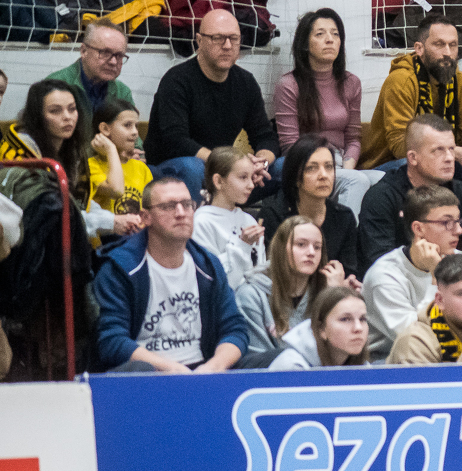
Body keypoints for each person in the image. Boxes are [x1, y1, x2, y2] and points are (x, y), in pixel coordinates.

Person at [94, 177, 261, 371]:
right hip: (148, 373)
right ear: (145, 217)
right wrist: (171, 369)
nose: (181, 213)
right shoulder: (120, 268)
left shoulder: (208, 265)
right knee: (139, 369)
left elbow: (235, 329)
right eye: (168, 207)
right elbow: (112, 341)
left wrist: (215, 366)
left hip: (203, 369)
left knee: (278, 360)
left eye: (187, 205)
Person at [359, 12, 462, 221]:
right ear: (419, 48)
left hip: (446, 160)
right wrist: (456, 153)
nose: (447, 52)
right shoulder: (401, 81)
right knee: (420, 165)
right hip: (393, 163)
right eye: (439, 44)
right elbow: (401, 146)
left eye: (453, 45)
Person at [145, 8, 278, 201]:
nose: (227, 45)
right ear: (199, 41)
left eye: (234, 38)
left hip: (222, 171)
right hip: (174, 170)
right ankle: (195, 220)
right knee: (194, 167)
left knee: (286, 167)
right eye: (218, 38)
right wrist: (227, 163)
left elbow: (265, 135)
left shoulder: (246, 82)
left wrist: (261, 163)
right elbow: (176, 141)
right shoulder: (176, 81)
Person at [357, 115, 462, 276]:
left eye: (451, 149)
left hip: (451, 282)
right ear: (413, 158)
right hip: (397, 284)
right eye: (438, 150)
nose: (450, 158)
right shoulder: (381, 197)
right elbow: (380, 265)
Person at [273, 8, 374, 215]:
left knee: (383, 180)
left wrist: (345, 169)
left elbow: (353, 138)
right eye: (320, 34)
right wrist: (327, 168)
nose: (330, 40)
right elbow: (290, 145)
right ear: (305, 44)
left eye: (335, 34)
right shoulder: (289, 85)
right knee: (357, 182)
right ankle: (341, 235)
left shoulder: (351, 82)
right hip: (307, 163)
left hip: (342, 163)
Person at [364, 185, 462, 360]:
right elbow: (414, 339)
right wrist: (437, 276)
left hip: (450, 352)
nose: (459, 230)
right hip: (389, 360)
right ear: (418, 229)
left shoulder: (461, 262)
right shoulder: (384, 276)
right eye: (447, 222)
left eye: (458, 222)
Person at [237, 216, 346, 354]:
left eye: (317, 247)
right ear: (281, 249)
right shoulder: (251, 295)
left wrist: (336, 298)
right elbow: (257, 358)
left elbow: (344, 352)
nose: (311, 252)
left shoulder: (326, 292)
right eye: (301, 244)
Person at [261, 135, 360, 277]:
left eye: (329, 167)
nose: (323, 175)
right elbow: (273, 273)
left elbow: (349, 272)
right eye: (311, 168)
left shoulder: (344, 216)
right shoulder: (274, 214)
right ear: (295, 176)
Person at [0, 79, 96, 208]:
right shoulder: (18, 150)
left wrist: (109, 217)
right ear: (38, 116)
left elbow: (78, 203)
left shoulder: (73, 147)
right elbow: (41, 209)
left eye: (72, 109)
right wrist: (109, 219)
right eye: (55, 111)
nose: (67, 117)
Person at [191, 147, 267, 291]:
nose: (251, 185)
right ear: (219, 181)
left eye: (251, 178)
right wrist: (242, 244)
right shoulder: (201, 222)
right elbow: (210, 279)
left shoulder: (248, 220)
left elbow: (259, 269)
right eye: (243, 177)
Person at [47, 20, 134, 129]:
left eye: (119, 55)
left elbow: (132, 136)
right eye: (105, 53)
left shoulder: (122, 92)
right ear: (84, 51)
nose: (113, 62)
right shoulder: (54, 86)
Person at [88, 97, 150, 234]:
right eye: (127, 125)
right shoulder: (91, 166)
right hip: (107, 239)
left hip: (135, 237)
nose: (135, 132)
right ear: (105, 129)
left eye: (136, 126)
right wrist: (111, 149)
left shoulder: (141, 168)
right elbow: (116, 190)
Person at [269, 285, 371, 369]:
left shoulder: (364, 367)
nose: (358, 328)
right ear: (321, 329)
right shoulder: (292, 367)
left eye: (362, 319)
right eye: (345, 319)